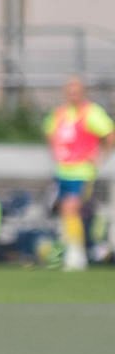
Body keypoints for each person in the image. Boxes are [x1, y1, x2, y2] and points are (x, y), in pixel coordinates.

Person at [44, 76, 112, 271]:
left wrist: (99, 158)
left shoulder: (91, 112)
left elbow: (109, 134)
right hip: (62, 172)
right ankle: (73, 250)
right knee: (66, 212)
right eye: (70, 91)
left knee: (71, 207)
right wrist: (56, 153)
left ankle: (76, 254)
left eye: (76, 91)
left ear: (83, 93)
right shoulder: (60, 113)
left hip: (82, 173)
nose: (73, 95)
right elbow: (49, 132)